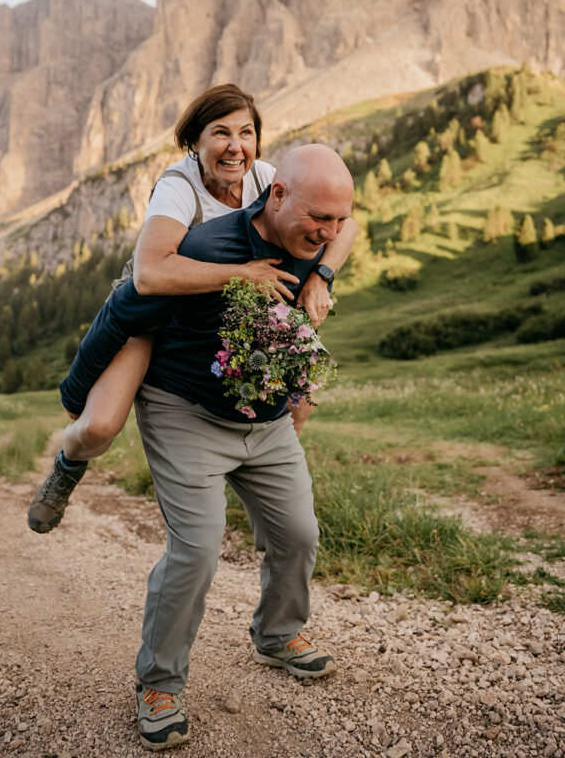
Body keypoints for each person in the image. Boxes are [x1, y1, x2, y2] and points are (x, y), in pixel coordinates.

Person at [60, 145, 354, 751]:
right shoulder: (203, 249)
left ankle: (277, 634)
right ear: (275, 196)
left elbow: (338, 233)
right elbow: (125, 309)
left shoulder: (317, 240)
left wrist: (322, 273)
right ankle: (159, 683)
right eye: (318, 219)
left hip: (266, 422)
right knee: (195, 551)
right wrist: (77, 390)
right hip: (184, 412)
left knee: (298, 533)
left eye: (337, 222)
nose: (327, 233)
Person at [28, 85, 356, 533]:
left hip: (220, 316)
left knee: (299, 403)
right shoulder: (177, 187)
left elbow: (344, 222)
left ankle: (264, 481)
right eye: (220, 133)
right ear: (194, 141)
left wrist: (322, 276)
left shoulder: (269, 179)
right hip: (156, 310)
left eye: (246, 132)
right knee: (99, 428)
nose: (235, 146)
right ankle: (67, 465)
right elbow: (148, 276)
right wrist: (245, 274)